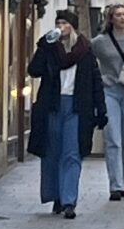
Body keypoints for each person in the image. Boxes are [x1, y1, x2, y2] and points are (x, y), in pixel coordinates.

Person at [28, 11, 106, 218]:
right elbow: (34, 70)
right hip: (52, 105)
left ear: (72, 26)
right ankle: (56, 196)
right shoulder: (50, 48)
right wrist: (43, 45)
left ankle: (69, 200)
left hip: (77, 106)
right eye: (58, 23)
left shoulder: (85, 50)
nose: (61, 26)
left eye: (64, 23)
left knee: (72, 153)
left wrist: (101, 110)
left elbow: (95, 81)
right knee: (52, 152)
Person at [90, 5, 124, 200]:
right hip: (109, 91)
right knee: (113, 139)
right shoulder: (100, 42)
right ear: (110, 19)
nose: (122, 18)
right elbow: (87, 57)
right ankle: (116, 185)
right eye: (118, 15)